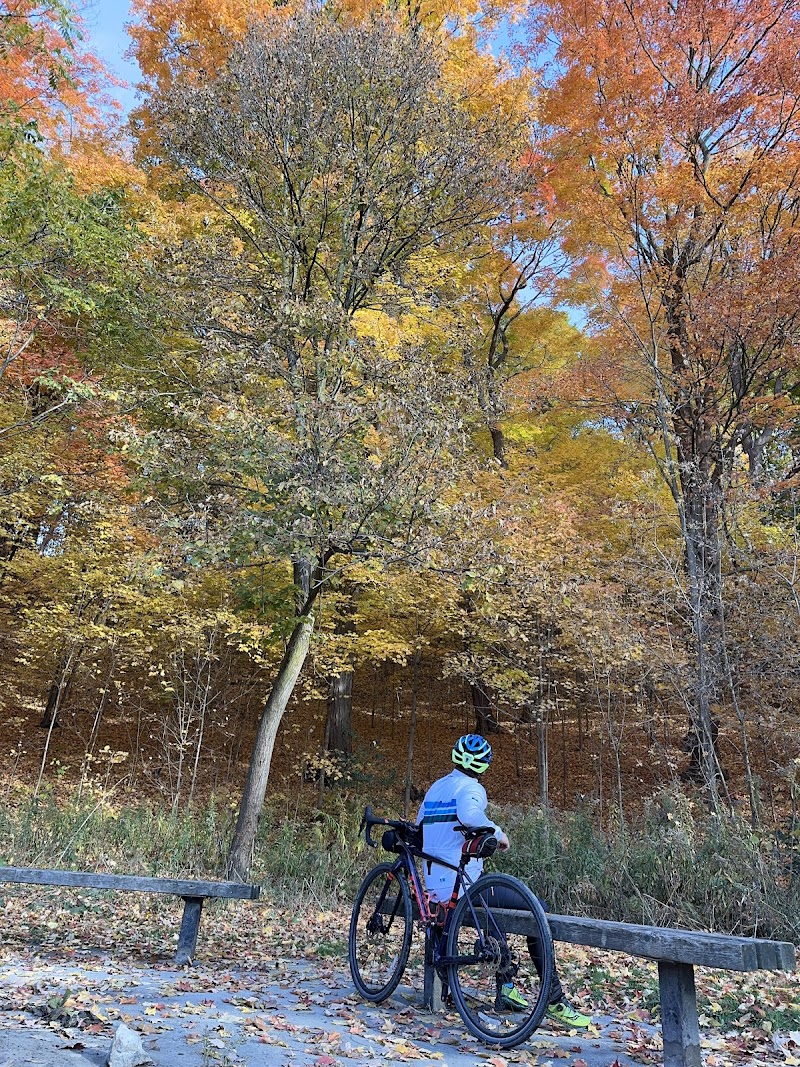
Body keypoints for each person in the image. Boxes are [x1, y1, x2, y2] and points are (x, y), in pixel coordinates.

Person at [416, 733, 592, 1029]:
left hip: (437, 888)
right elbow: (469, 814)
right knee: (539, 910)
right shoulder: (471, 788)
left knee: (496, 910)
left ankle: (507, 986)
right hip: (465, 886)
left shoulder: (436, 788)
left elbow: (420, 828)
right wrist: (498, 834)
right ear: (484, 766)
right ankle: (554, 1000)